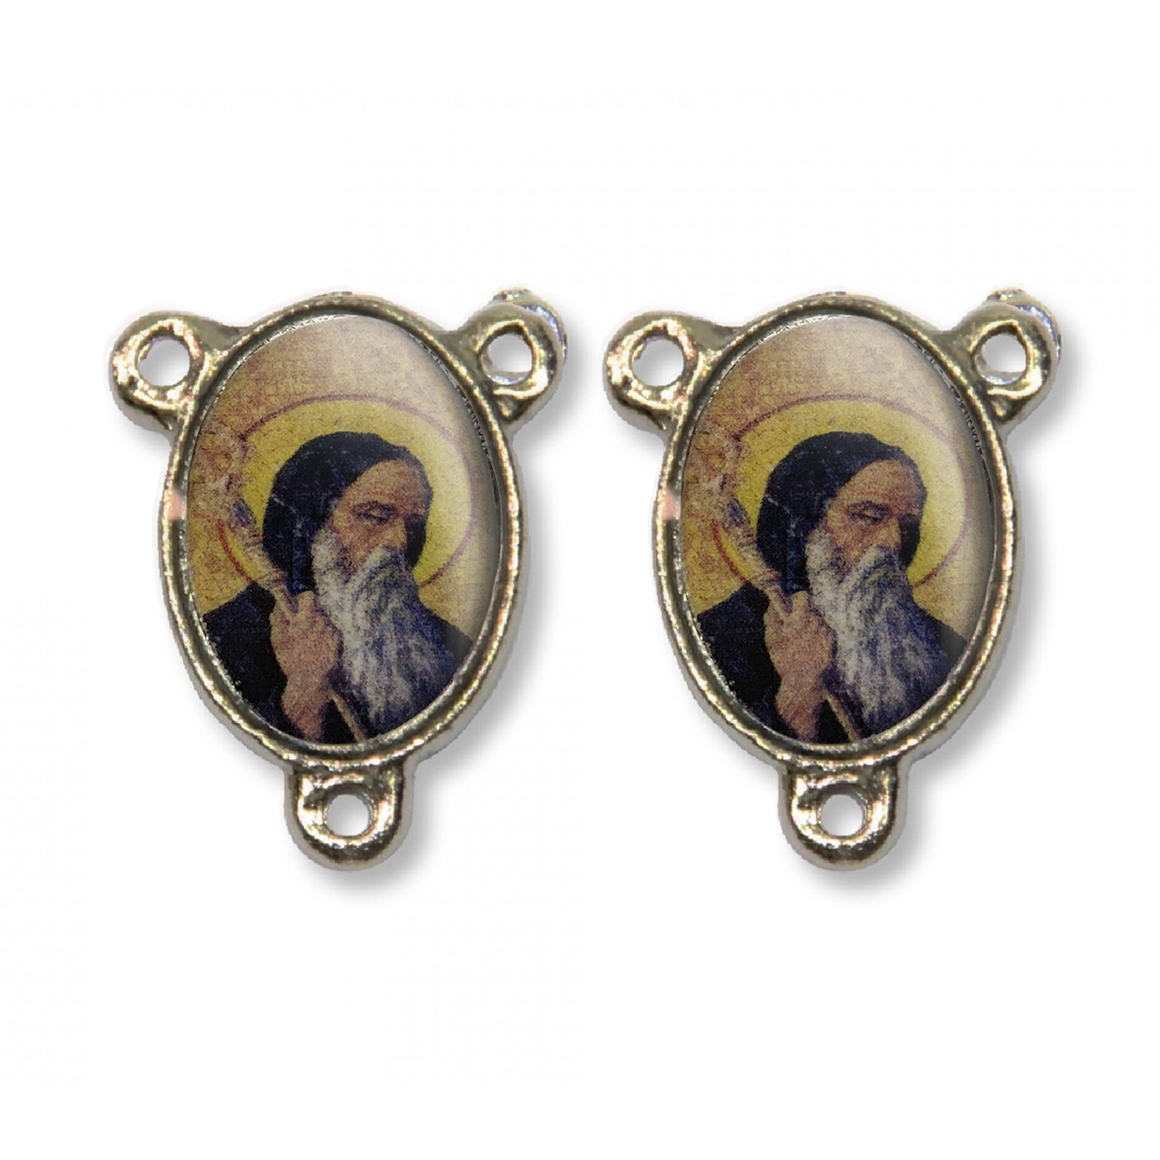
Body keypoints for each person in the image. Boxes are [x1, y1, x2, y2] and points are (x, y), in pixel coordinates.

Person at [698, 432, 965, 743]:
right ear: (805, 523)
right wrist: (800, 688)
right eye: (869, 516)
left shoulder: (940, 645)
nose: (893, 542)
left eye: (906, 526)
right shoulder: (720, 638)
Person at [205, 432, 471, 743]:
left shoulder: (446, 645)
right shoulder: (226, 638)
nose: (399, 542)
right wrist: (306, 688)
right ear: (311, 523)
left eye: (412, 526)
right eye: (375, 516)